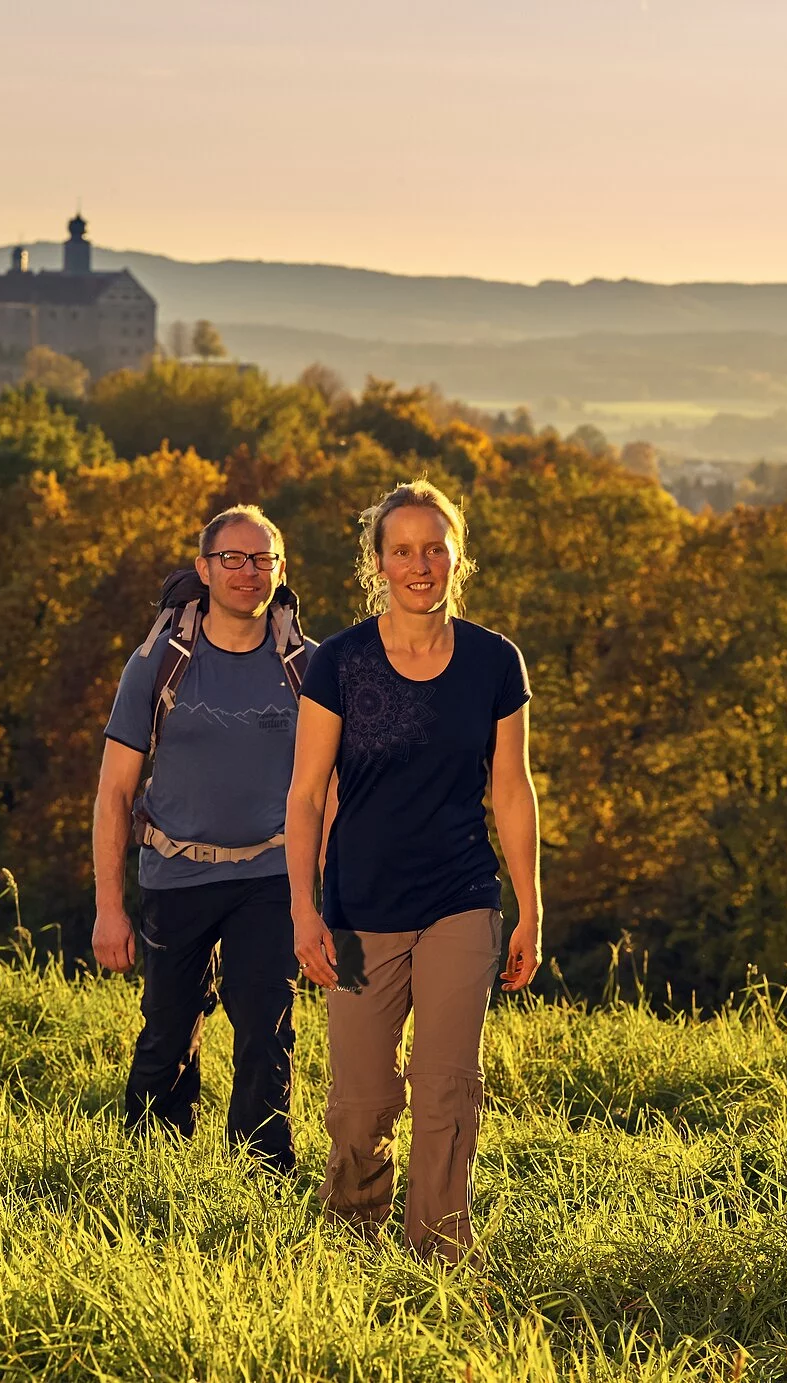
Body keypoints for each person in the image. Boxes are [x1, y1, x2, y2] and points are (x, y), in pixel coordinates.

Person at [284, 478, 542, 1259]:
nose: (420, 563)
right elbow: (304, 795)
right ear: (379, 561)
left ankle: (439, 1257)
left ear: (458, 556)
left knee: (445, 1087)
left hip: (460, 897)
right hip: (359, 908)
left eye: (435, 547)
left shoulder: (496, 662)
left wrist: (531, 907)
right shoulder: (340, 662)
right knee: (360, 1105)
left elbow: (511, 789)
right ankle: (353, 1245)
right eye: (403, 550)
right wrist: (303, 908)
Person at [93, 504, 308, 1175]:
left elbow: (330, 790)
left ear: (280, 568)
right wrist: (109, 906)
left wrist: (320, 896)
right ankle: (149, 1176)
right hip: (175, 872)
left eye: (262, 559)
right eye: (233, 559)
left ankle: (262, 1180)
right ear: (204, 568)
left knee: (266, 1034)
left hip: (271, 878)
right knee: (166, 1032)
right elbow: (113, 794)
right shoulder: (158, 662)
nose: (248, 573)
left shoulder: (309, 667)